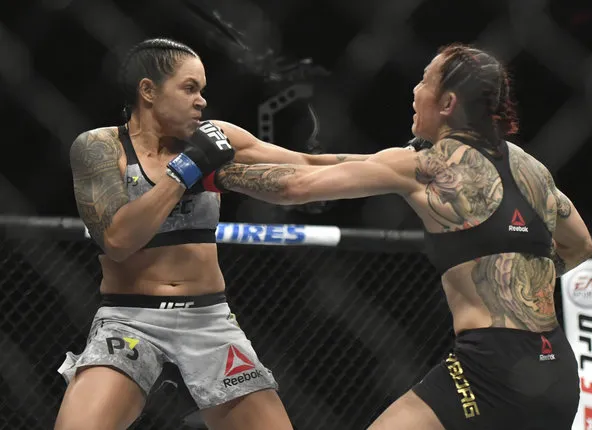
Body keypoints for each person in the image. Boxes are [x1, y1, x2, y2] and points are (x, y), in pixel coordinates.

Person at [213, 42, 592, 429]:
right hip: (556, 371)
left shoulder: (429, 165)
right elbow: (580, 246)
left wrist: (212, 173)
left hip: (488, 368)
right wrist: (247, 147)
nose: (415, 90)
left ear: (446, 103)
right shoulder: (533, 170)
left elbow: (296, 186)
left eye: (424, 79)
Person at [56, 37, 369, 430]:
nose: (201, 100)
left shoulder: (215, 136)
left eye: (202, 90)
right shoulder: (100, 147)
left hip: (209, 322)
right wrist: (186, 170)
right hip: (129, 321)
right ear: (148, 91)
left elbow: (306, 164)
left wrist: (403, 165)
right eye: (189, 88)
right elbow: (118, 241)